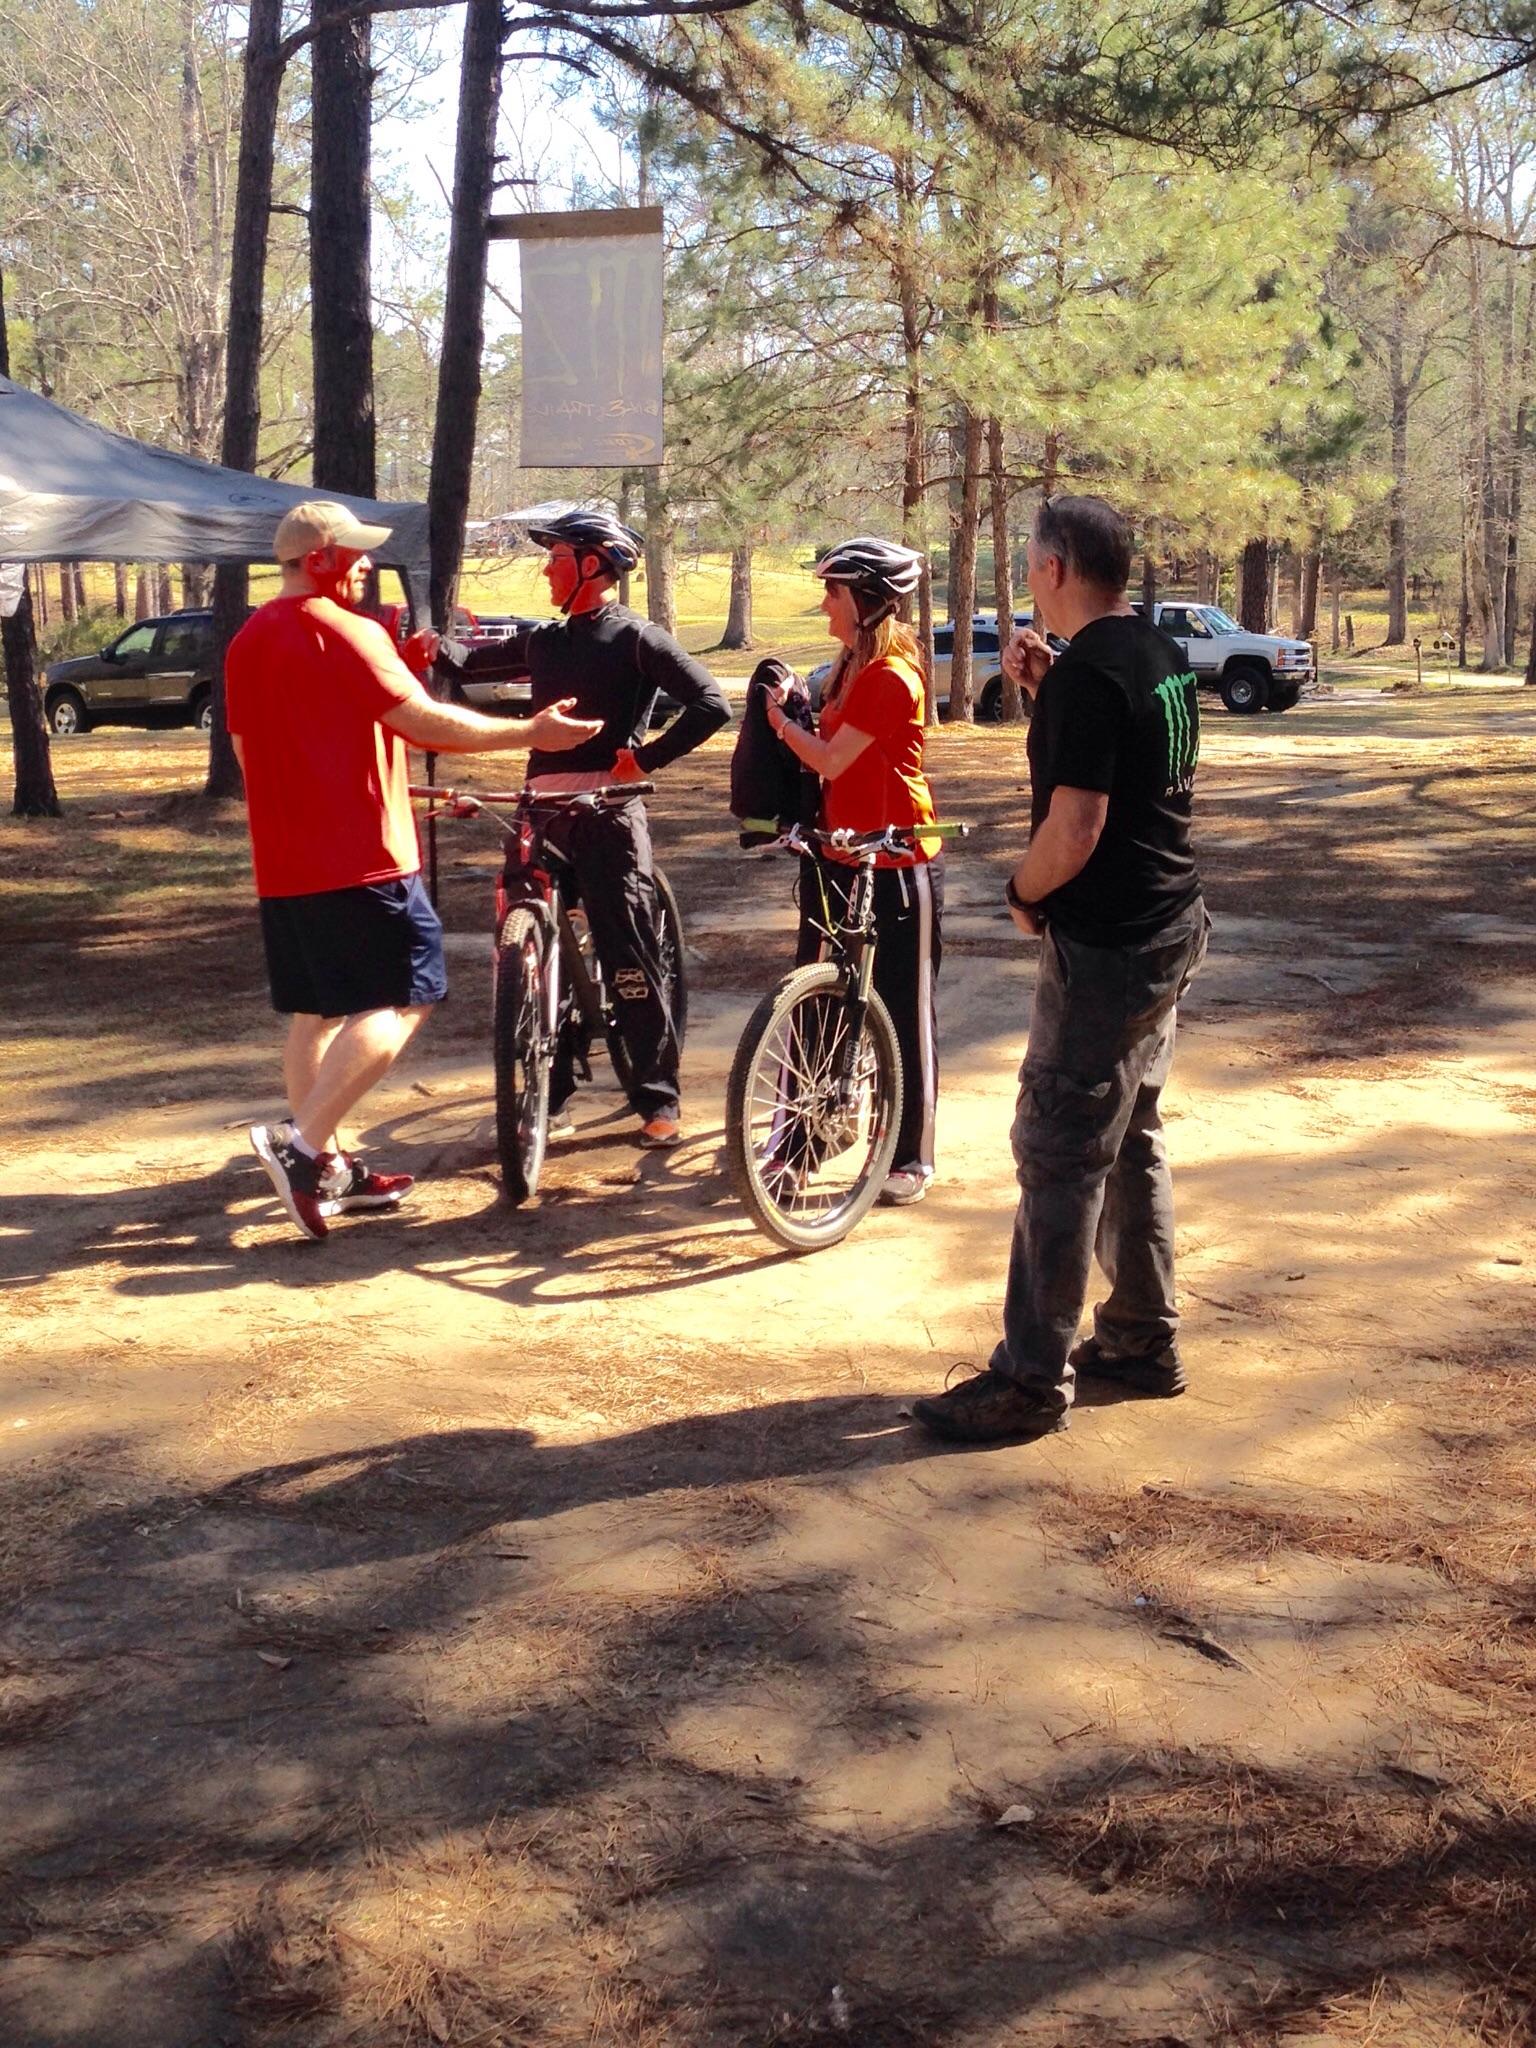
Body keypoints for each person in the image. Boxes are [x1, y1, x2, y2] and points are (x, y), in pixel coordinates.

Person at [912, 494, 1207, 1441]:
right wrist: (1052, 686)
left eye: (1030, 565)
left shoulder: (1092, 676)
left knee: (1058, 1150)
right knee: (1130, 1133)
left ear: (1053, 569)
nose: (1028, 580)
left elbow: (1076, 828)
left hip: (1110, 946)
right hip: (1169, 923)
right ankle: (1141, 1338)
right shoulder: (1155, 651)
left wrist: (1023, 890)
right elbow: (1129, 762)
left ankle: (1030, 1380)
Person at [226, 500, 599, 1243]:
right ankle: (302, 1149)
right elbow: (424, 722)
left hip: (285, 864)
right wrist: (532, 731)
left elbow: (248, 751)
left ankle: (328, 1165)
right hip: (365, 859)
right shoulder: (348, 630)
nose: (367, 565)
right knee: (405, 997)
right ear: (320, 560)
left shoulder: (247, 639)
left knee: (316, 1012)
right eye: (355, 553)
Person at [510, 509, 730, 1147]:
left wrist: (646, 758)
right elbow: (467, 661)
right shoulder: (545, 641)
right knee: (534, 959)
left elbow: (711, 703)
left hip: (608, 814)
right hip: (541, 814)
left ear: (591, 565)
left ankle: (657, 1097)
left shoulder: (635, 637)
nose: (546, 570)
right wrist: (425, 647)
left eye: (556, 558)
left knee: (627, 954)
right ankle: (550, 1093)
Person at [762, 537, 943, 1205]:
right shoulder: (847, 665)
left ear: (865, 602)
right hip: (837, 852)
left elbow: (832, 759)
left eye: (832, 593)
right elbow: (826, 726)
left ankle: (910, 1153)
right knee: (813, 1004)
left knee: (902, 1008)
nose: (823, 604)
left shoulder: (890, 675)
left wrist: (779, 723)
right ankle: (800, 1142)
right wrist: (794, 698)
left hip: (897, 858)